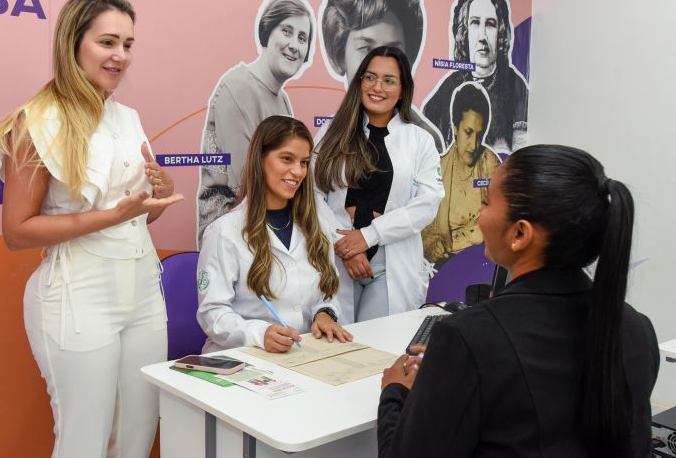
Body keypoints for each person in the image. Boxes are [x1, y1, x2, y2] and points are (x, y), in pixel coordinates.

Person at [0, 0, 183, 458]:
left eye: (128, 44)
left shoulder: (128, 117)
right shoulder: (37, 120)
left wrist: (159, 195)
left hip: (142, 292)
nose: (121, 56)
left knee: (138, 435)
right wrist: (110, 216)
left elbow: (142, 215)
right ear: (73, 43)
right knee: (84, 442)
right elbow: (17, 231)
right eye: (107, 42)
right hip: (76, 298)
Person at [378, 145, 659, 457]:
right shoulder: (637, 329)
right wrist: (456, 368)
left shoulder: (468, 338)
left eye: (485, 203)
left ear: (520, 234)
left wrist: (394, 392)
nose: (478, 215)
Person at [197, 115, 352, 354]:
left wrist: (324, 314)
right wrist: (259, 334)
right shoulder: (223, 232)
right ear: (260, 159)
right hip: (243, 357)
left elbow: (326, 294)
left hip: (301, 354)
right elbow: (212, 313)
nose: (298, 171)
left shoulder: (317, 226)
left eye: (303, 162)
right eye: (287, 159)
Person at [314, 46, 443, 323]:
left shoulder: (419, 140)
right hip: (337, 258)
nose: (377, 87)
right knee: (336, 352)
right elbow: (312, 196)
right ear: (359, 81)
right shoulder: (330, 133)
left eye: (389, 80)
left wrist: (369, 236)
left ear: (402, 88)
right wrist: (345, 245)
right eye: (370, 77)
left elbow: (427, 204)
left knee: (376, 349)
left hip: (389, 262)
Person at [197, 0, 314, 244]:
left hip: (270, 222)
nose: (294, 44)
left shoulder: (281, 99)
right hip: (230, 229)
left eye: (302, 38)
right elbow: (245, 183)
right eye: (287, 31)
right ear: (267, 31)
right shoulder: (238, 86)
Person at [319, 0, 444, 153]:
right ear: (339, 48)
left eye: (393, 51)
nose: (380, 66)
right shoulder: (326, 138)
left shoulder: (424, 140)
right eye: (366, 48)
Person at [422, 0, 528, 153]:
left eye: (490, 24)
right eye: (475, 23)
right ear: (464, 32)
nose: (482, 36)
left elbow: (520, 157)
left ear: (501, 33)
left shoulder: (516, 88)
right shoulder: (446, 91)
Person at [422, 83, 501, 265]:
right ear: (455, 127)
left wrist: (452, 243)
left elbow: (499, 219)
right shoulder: (438, 168)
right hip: (442, 272)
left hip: (482, 265)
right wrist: (429, 246)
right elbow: (422, 227)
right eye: (468, 132)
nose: (474, 145)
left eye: (480, 135)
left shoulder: (490, 164)